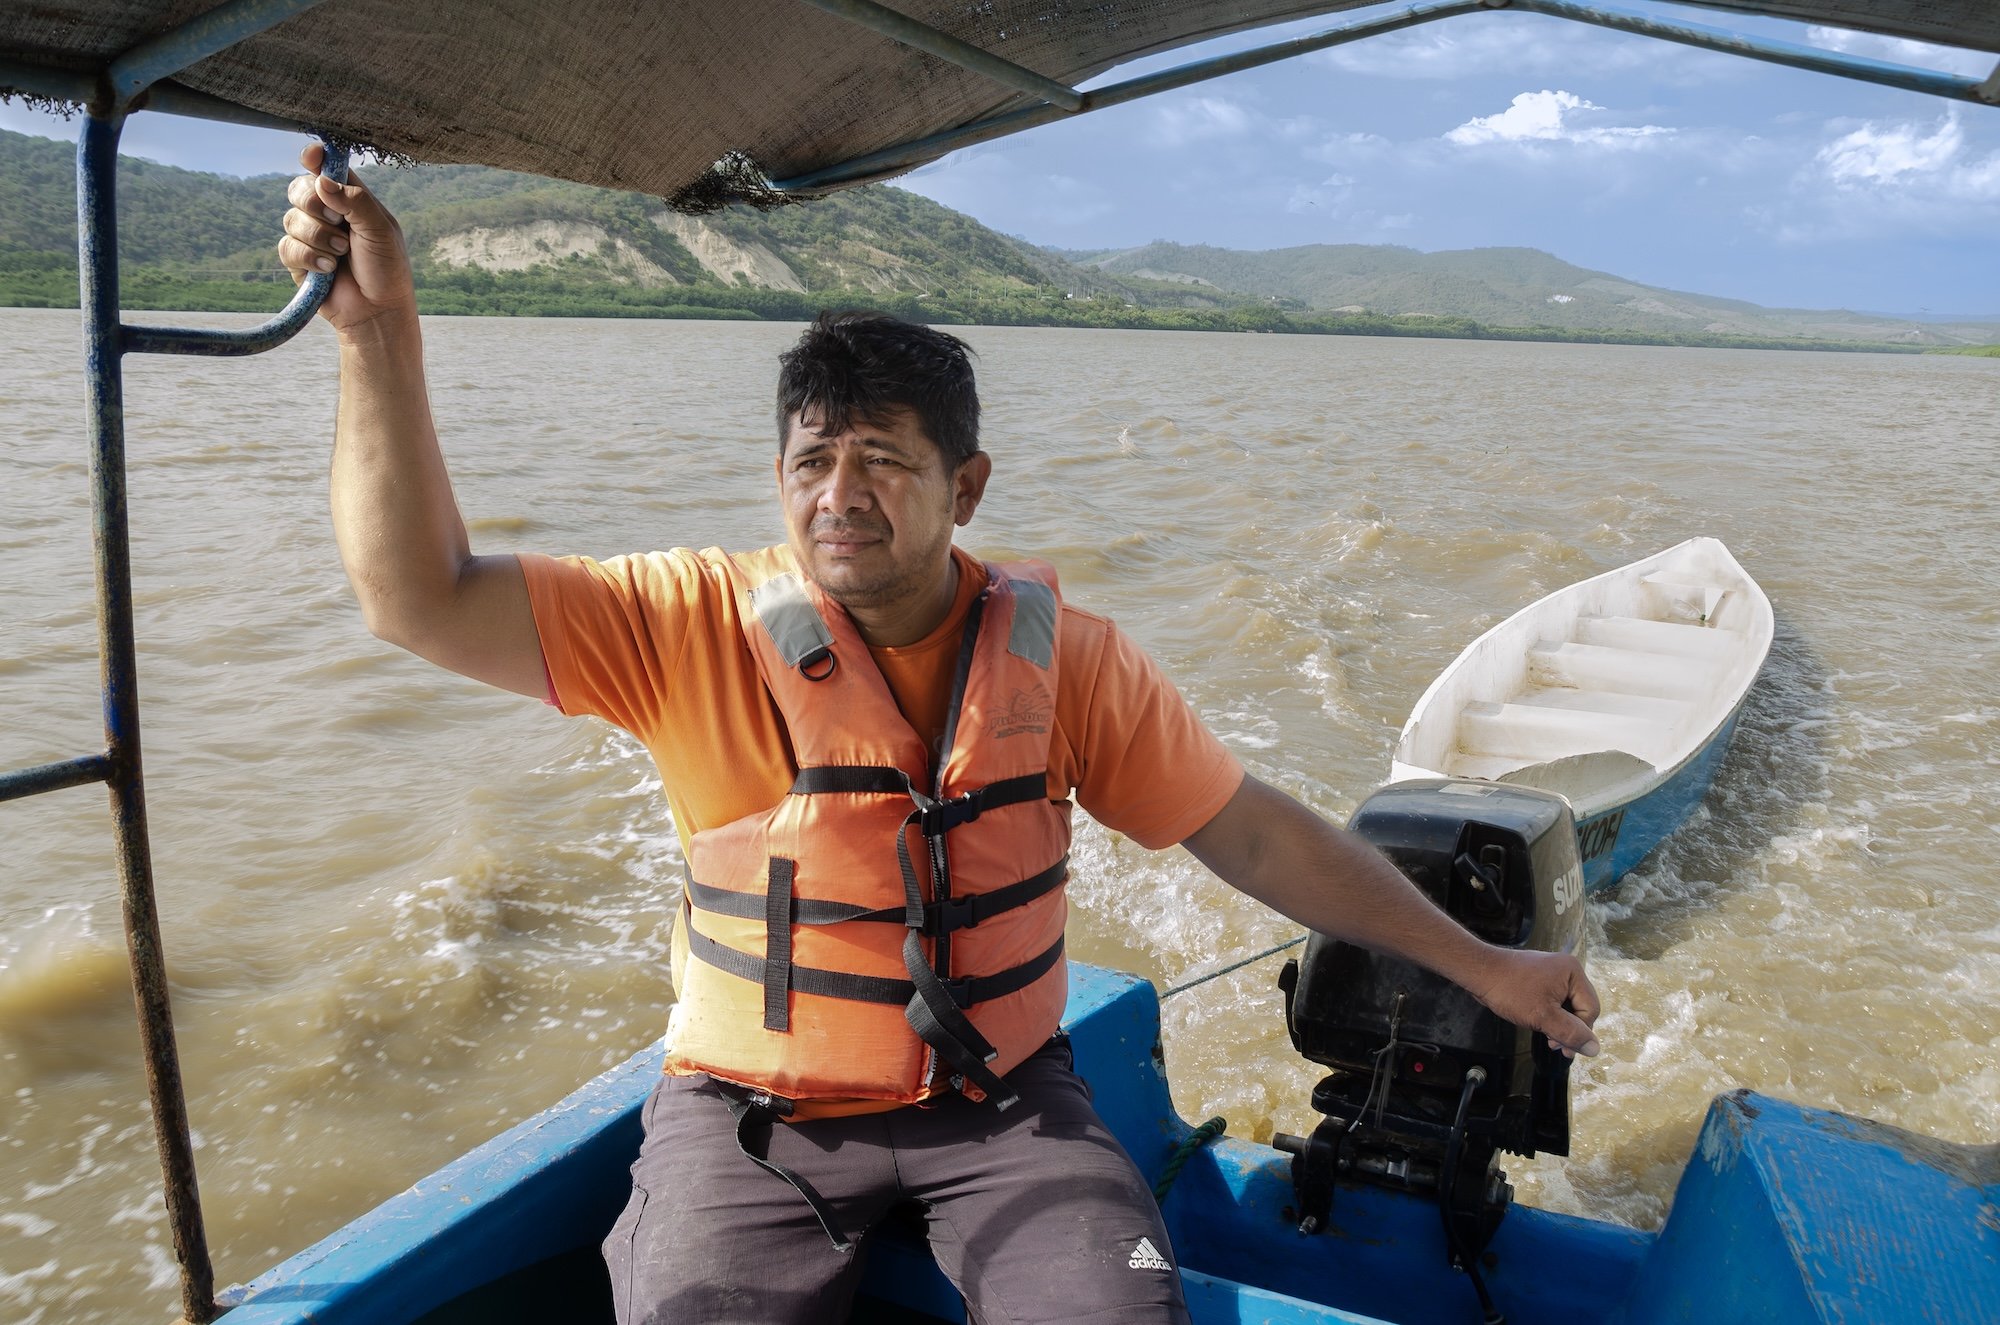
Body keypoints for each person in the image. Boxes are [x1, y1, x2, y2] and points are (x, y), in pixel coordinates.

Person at [278, 144, 1601, 1325]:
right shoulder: (683, 623)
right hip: (755, 1118)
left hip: (1011, 1106)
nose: (837, 497)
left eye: (882, 462)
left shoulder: (1070, 662)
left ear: (965, 487)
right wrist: (376, 337)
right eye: (810, 462)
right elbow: (419, 596)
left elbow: (1251, 830)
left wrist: (1482, 965)